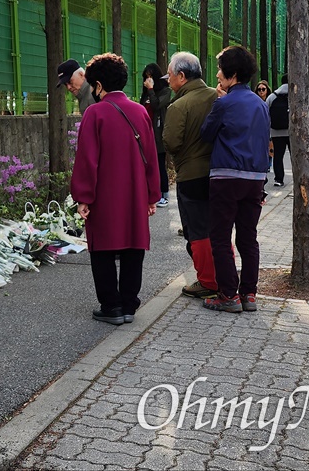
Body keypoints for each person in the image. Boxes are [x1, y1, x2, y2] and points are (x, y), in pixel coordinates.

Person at [71, 53, 160, 325]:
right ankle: (129, 305)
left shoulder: (94, 113)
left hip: (105, 193)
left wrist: (83, 197)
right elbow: (151, 156)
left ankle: (111, 306)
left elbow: (87, 159)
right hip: (135, 191)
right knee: (134, 243)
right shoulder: (140, 111)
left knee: (103, 246)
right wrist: (152, 195)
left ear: (98, 85)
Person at [200, 46, 271, 313]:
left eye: (220, 70)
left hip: (226, 177)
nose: (217, 74)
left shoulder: (223, 103)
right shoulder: (261, 105)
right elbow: (265, 142)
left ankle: (228, 294)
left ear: (232, 74)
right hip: (255, 179)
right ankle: (249, 294)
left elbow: (206, 134)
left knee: (219, 237)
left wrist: (219, 102)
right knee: (248, 238)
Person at [162, 52, 219, 299]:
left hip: (191, 175)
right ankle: (223, 275)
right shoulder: (218, 97)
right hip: (219, 172)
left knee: (197, 230)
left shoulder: (179, 105)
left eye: (171, 75)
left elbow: (171, 143)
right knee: (219, 227)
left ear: (182, 77)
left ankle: (207, 280)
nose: (168, 80)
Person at [140, 62, 172, 207]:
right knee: (147, 165)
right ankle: (150, 193)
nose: (148, 80)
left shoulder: (165, 91)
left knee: (159, 164)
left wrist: (151, 89)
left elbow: (156, 105)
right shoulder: (145, 92)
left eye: (151, 77)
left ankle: (164, 194)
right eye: (146, 77)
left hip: (158, 134)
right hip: (145, 133)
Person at [266, 74, 290, 186]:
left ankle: (279, 179)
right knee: (294, 155)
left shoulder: (272, 96)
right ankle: (298, 177)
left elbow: (266, 114)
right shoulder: (295, 95)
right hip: (292, 132)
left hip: (275, 132)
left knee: (278, 156)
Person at [256, 80, 273, 171]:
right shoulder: (255, 102)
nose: (261, 91)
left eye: (263, 89)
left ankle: (268, 164)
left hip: (268, 126)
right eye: (259, 89)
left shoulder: (270, 100)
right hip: (258, 127)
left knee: (269, 146)